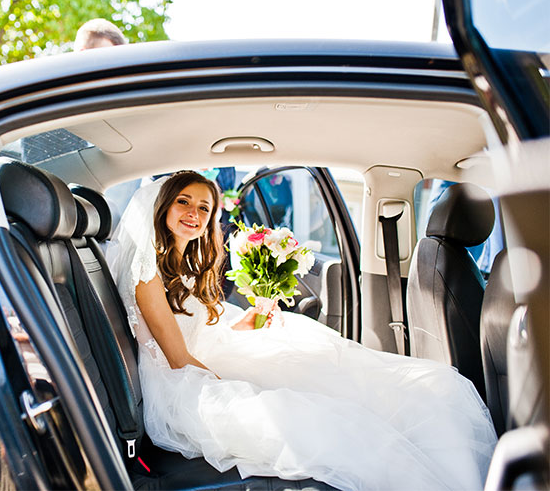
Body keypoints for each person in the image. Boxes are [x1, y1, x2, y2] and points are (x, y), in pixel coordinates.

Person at [106, 170, 497, 491]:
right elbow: (179, 359)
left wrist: (254, 318)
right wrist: (244, 382)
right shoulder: (147, 275)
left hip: (204, 358)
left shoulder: (184, 263)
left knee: (331, 365)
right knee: (313, 410)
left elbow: (204, 327)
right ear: (163, 206)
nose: (194, 213)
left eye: (204, 207)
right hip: (182, 386)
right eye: (183, 202)